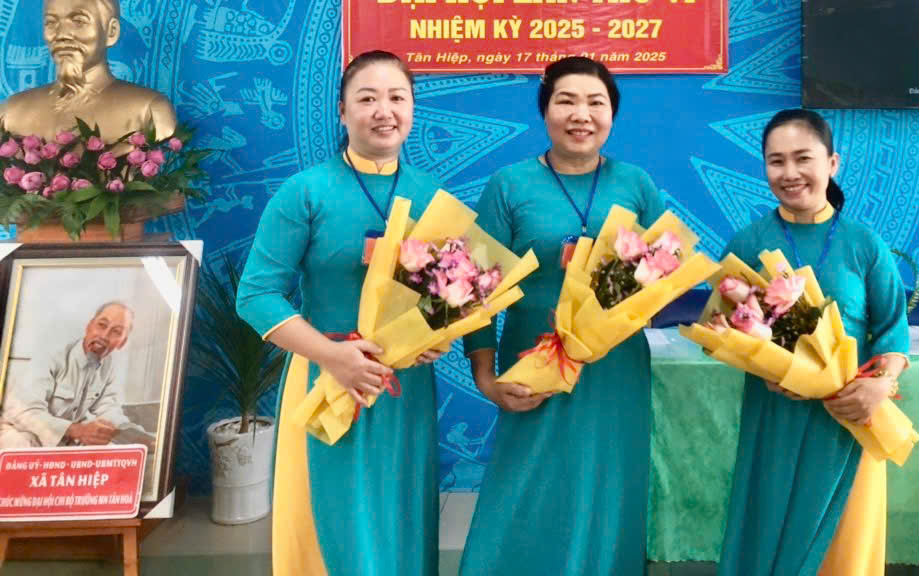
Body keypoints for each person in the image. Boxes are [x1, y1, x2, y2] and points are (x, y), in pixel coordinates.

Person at [237, 50, 447, 576]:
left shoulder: (431, 195)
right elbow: (256, 295)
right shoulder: (306, 191)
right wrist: (333, 357)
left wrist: (435, 334)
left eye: (397, 98)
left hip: (404, 390)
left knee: (400, 517)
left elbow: (447, 292)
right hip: (327, 378)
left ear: (413, 108)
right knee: (337, 525)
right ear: (342, 110)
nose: (384, 111)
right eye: (367, 98)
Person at [459, 56, 663, 576]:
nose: (581, 115)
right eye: (566, 101)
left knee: (608, 489)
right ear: (544, 110)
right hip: (535, 363)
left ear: (612, 114)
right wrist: (486, 378)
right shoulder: (509, 185)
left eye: (596, 103)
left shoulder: (636, 184)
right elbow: (472, 289)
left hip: (616, 371)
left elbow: (664, 274)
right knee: (527, 488)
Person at [717, 109, 909, 576]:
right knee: (771, 538)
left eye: (803, 158)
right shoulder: (747, 243)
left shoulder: (864, 244)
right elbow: (724, 330)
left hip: (849, 417)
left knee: (845, 547)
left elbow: (893, 329)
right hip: (775, 418)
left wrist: (880, 384)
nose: (790, 173)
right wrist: (766, 370)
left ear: (832, 163)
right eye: (776, 161)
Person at [0, 0, 177, 143]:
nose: (61, 34)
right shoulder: (11, 113)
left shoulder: (149, 111)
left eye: (78, 21)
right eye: (51, 23)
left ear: (111, 32)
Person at [0, 301, 153, 449]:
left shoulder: (108, 365)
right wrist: (78, 430)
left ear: (122, 342)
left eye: (116, 332)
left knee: (111, 451)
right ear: (89, 326)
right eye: (101, 325)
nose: (104, 336)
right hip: (18, 432)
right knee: (20, 442)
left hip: (61, 441)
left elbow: (108, 409)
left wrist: (135, 435)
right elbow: (23, 411)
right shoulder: (51, 355)